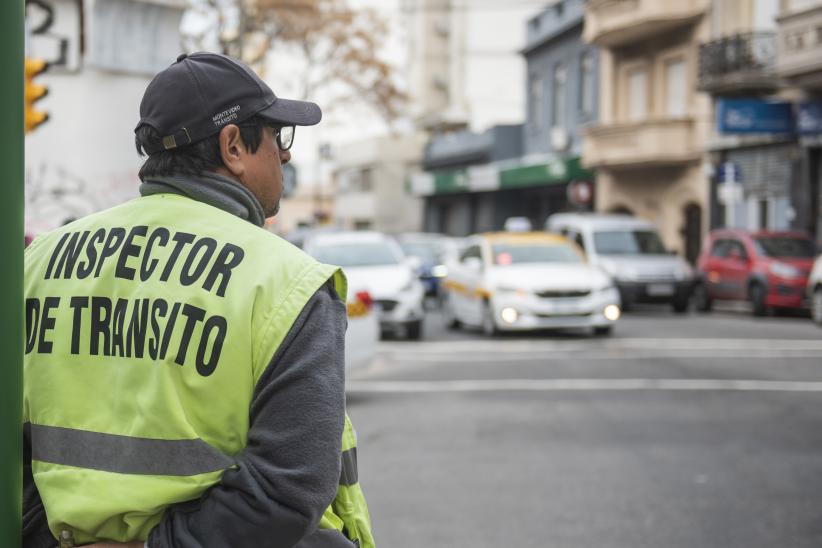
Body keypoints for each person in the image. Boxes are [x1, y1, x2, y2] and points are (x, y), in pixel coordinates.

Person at [23, 52, 373, 548]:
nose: (286, 155)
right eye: (278, 136)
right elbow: (287, 490)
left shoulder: (40, 263)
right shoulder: (287, 281)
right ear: (233, 146)